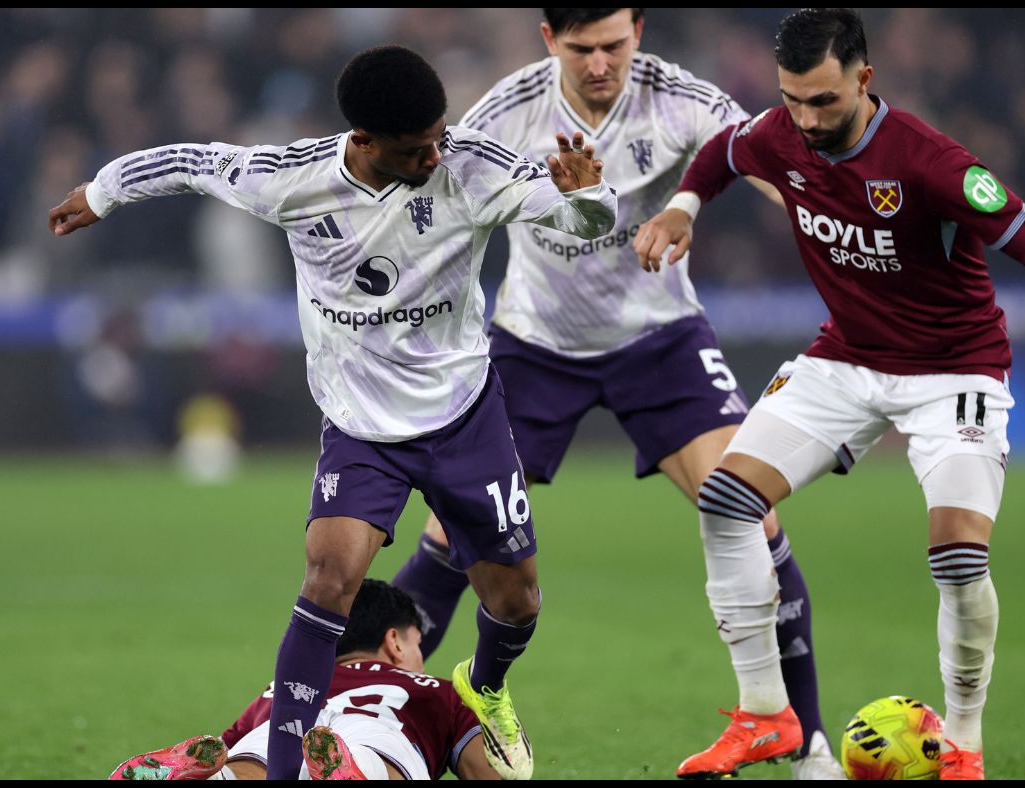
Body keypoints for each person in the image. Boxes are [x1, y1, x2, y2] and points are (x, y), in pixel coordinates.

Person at [50, 45, 617, 781]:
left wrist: (590, 196)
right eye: (415, 150)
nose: (434, 157)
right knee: (328, 580)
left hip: (464, 417)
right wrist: (103, 192)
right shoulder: (294, 178)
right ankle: (285, 769)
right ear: (365, 140)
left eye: (438, 138)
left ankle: (486, 685)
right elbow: (192, 162)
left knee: (517, 603)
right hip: (360, 428)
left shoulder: (472, 167)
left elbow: (584, 222)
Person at [634, 8, 1025, 781]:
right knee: (726, 500)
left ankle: (964, 745)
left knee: (958, 555)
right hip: (846, 358)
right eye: (793, 100)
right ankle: (766, 714)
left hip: (955, 370)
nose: (808, 120)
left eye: (824, 101)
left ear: (864, 79)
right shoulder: (779, 132)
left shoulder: (930, 162)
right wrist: (683, 207)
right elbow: (723, 153)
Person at [386, 8, 841, 779]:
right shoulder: (506, 113)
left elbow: (773, 164)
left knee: (749, 509)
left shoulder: (681, 100)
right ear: (548, 40)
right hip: (534, 346)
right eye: (581, 48)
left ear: (639, 30)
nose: (600, 63)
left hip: (659, 340)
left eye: (614, 45)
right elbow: (431, 200)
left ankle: (809, 744)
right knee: (453, 533)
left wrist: (835, 207)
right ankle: (374, 722)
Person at [108, 580, 502, 780]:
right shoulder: (435, 692)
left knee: (248, 765)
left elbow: (221, 748)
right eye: (418, 644)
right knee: (378, 761)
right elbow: (485, 772)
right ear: (395, 641)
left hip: (284, 725)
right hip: (378, 731)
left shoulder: (285, 686)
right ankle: (357, 770)